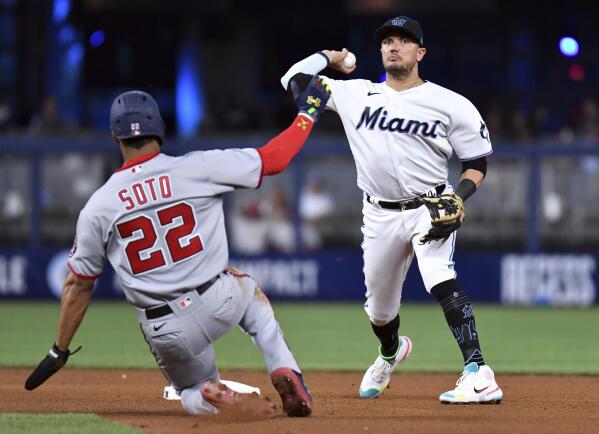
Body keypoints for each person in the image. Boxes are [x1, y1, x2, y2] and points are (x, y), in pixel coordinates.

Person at [24, 76, 331, 417]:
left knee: (187, 389)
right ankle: (282, 366)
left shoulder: (100, 205)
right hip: (219, 299)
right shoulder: (196, 167)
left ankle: (208, 392)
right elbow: (274, 159)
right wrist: (308, 111)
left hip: (165, 327)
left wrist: (60, 349)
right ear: (161, 129)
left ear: (115, 137)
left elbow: (79, 285)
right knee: (252, 296)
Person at [280, 16, 503, 404]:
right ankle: (390, 352)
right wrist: (328, 56)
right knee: (380, 311)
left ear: (421, 52)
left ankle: (478, 372)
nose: (393, 46)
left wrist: (459, 197)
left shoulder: (450, 103)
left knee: (439, 277)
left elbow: (477, 163)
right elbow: (295, 83)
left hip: (430, 206)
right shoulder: (354, 94)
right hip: (379, 214)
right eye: (386, 41)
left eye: (403, 40)